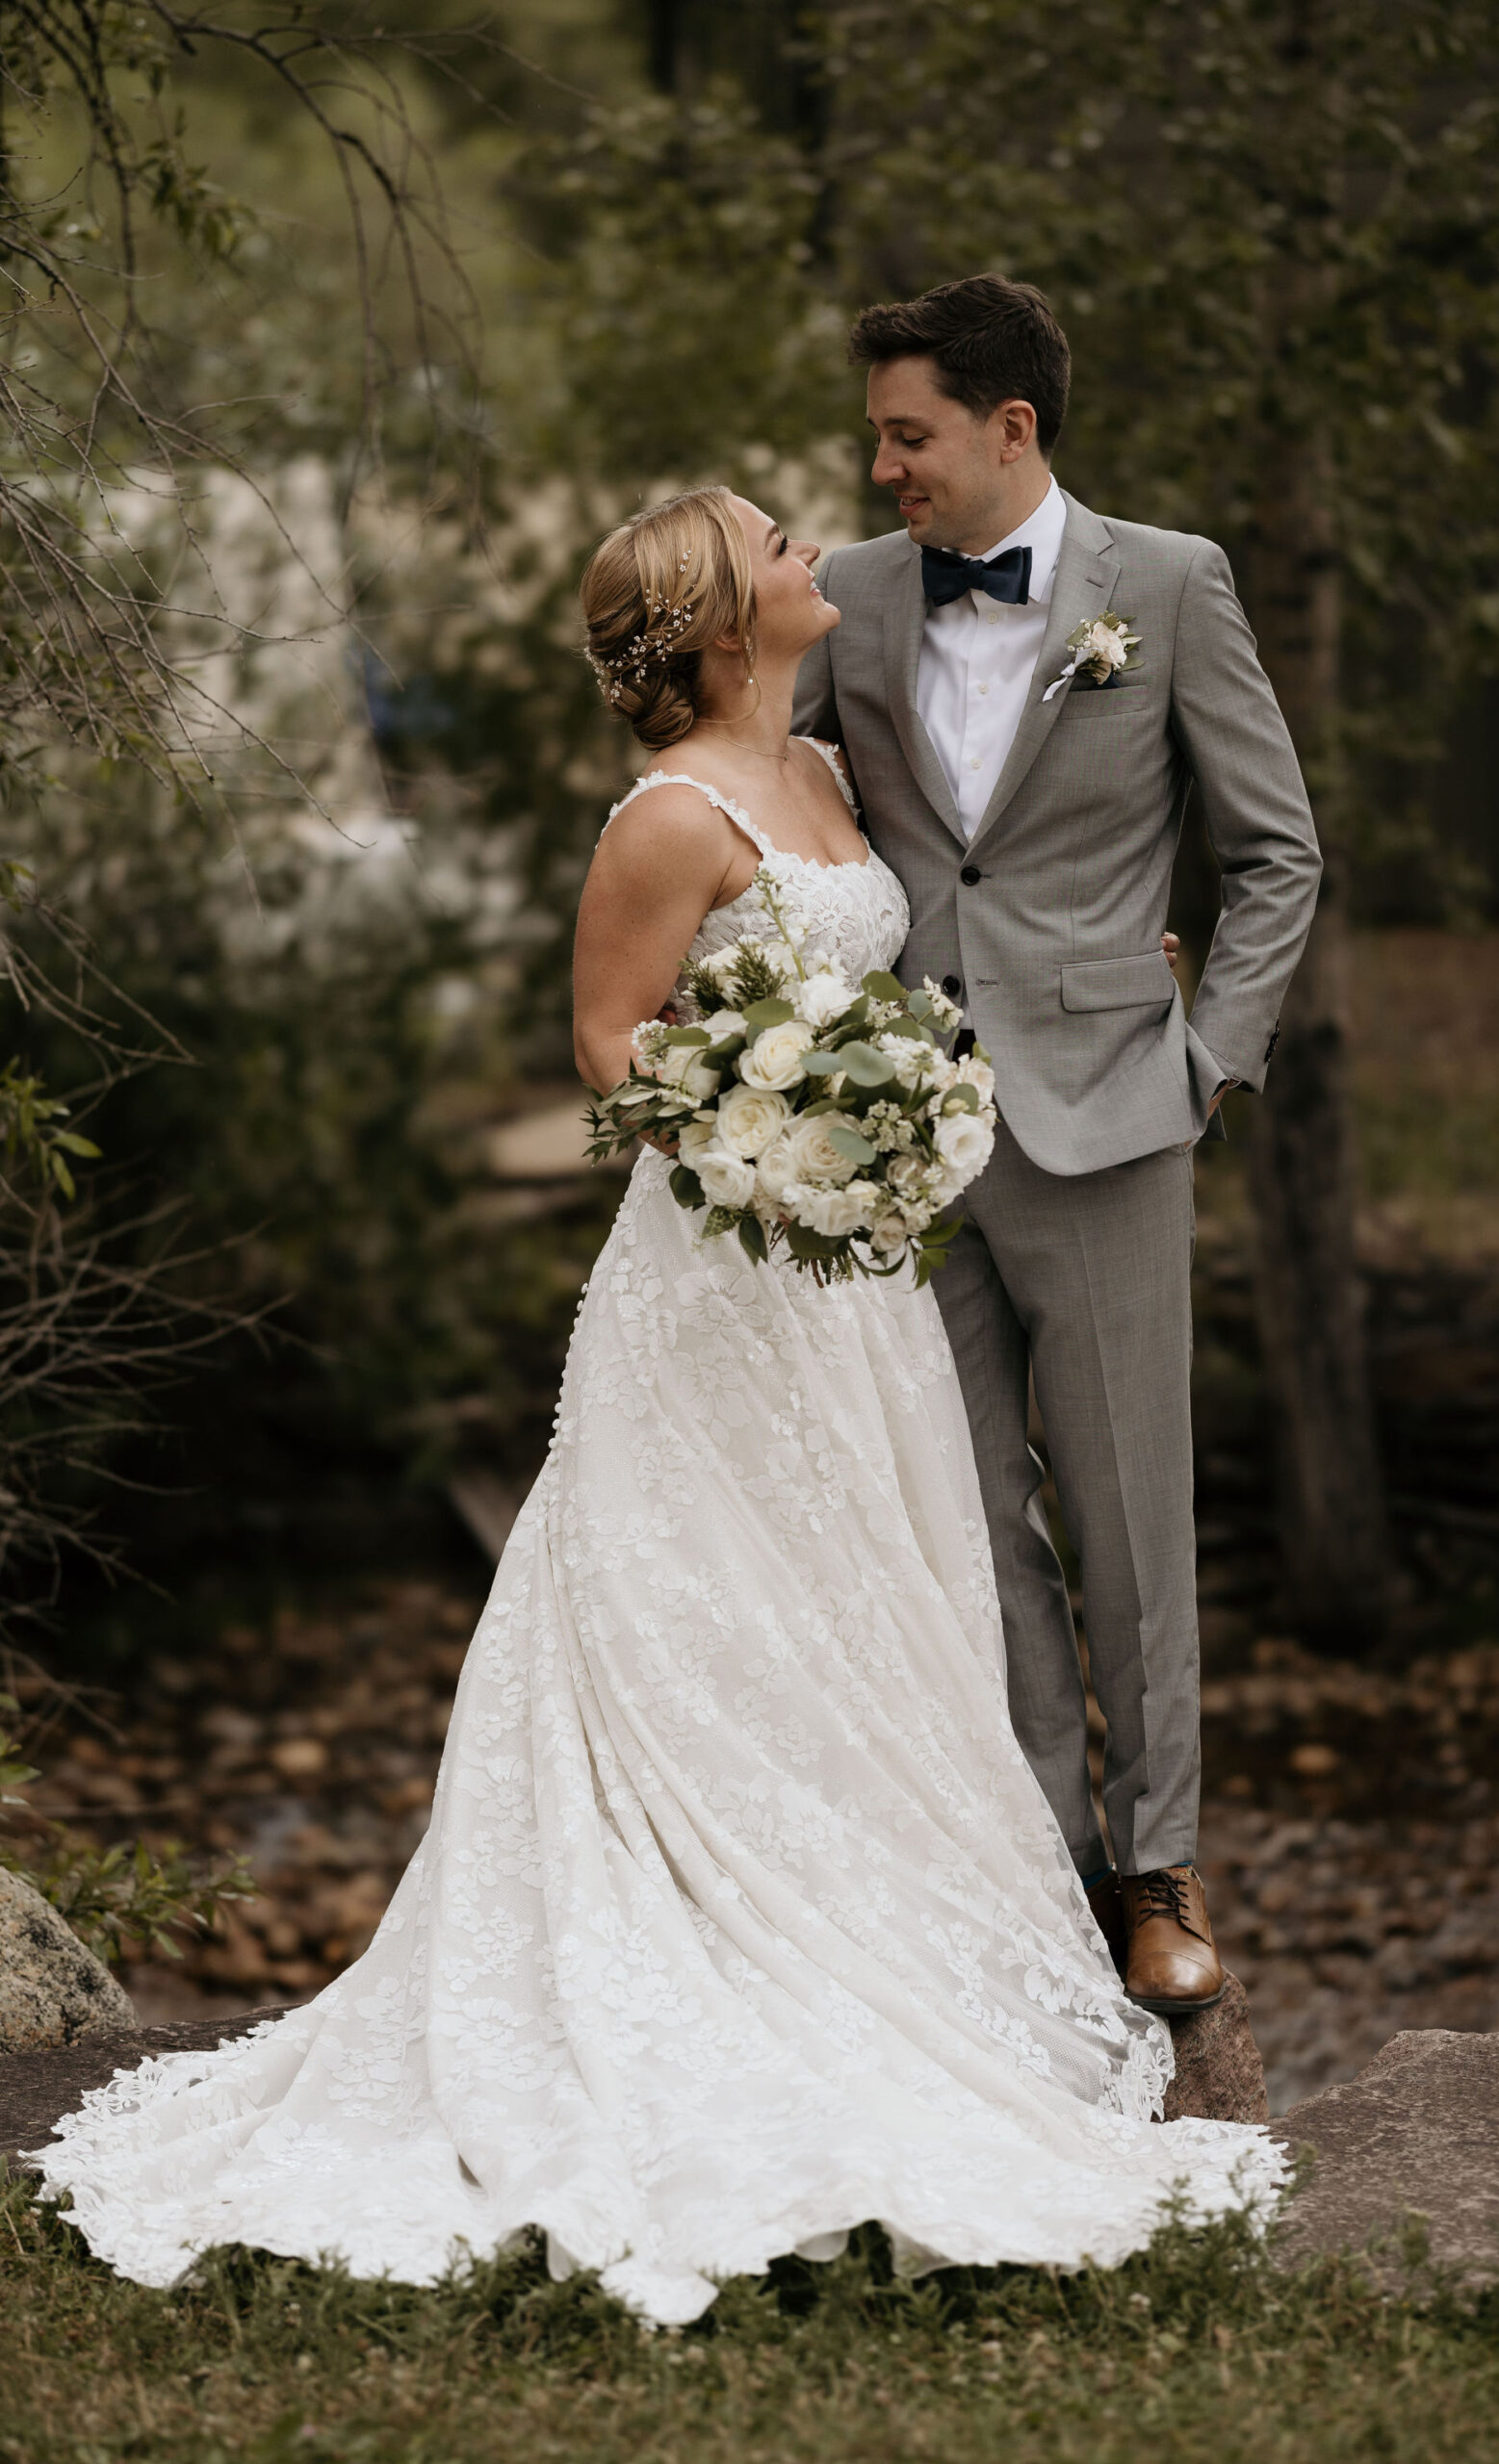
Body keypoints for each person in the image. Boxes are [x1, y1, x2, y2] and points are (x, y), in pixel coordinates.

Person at [32, 484, 1281, 2326]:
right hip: (722, 1282)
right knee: (703, 1612)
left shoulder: (835, 784)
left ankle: (905, 1941)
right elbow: (611, 1042)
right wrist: (768, 1139)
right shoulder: (666, 818)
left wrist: (1004, 1049)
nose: (815, 557)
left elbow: (936, 951)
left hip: (854, 1290)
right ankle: (684, 1953)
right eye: (778, 547)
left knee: (874, 1618)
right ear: (717, 620)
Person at [793, 274, 1322, 2015]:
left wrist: (1208, 1068)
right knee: (970, 1518)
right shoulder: (848, 600)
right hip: (896, 1138)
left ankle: (1162, 1868)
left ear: (1011, 427)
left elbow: (1274, 857)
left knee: (1124, 1514)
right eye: (879, 434)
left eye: (909, 432)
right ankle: (1045, 1871)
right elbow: (776, 815)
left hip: (1109, 1122)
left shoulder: (1166, 585)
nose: (884, 469)